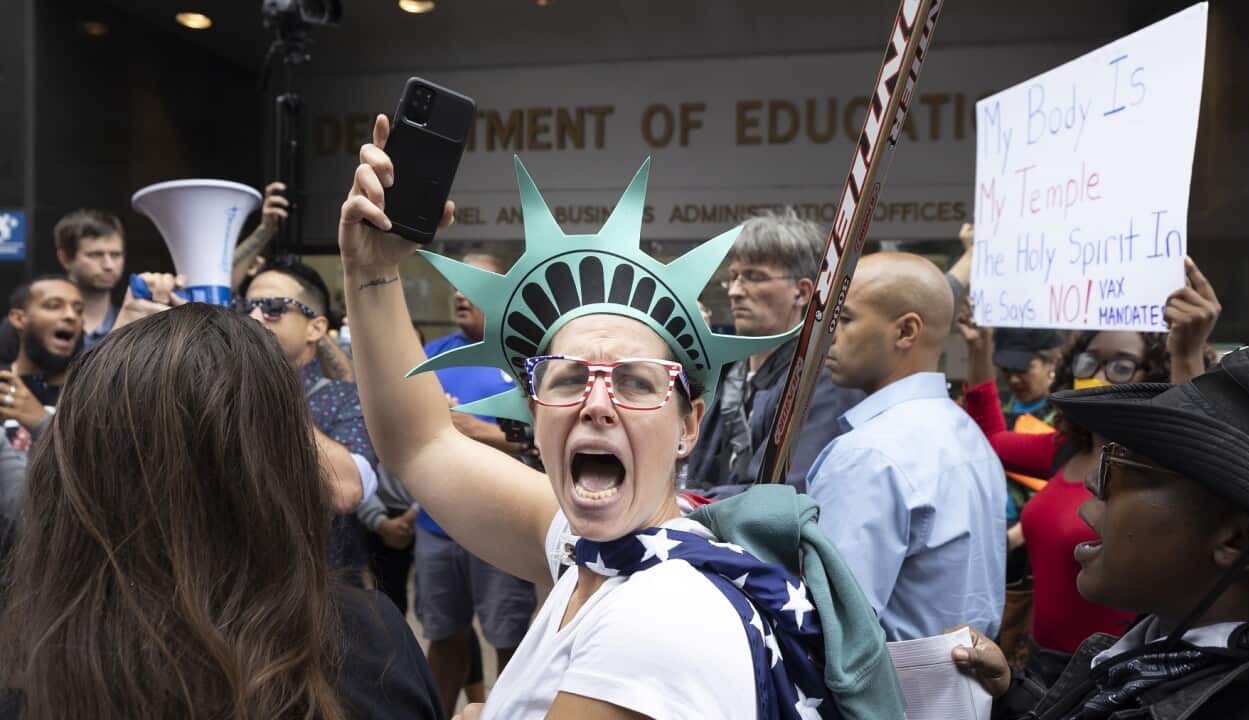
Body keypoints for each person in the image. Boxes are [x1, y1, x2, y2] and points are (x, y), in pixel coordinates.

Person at [339, 116, 902, 719]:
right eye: (570, 378)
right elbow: (423, 444)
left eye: (635, 382)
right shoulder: (596, 553)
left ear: (688, 426)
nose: (598, 403)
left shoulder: (662, 616)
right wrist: (371, 269)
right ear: (536, 412)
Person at [0, 304, 444, 719]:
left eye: (276, 305)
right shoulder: (366, 640)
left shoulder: (27, 656)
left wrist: (121, 378)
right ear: (281, 460)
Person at [953, 346, 1249, 719]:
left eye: (1129, 466)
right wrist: (1012, 693)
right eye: (1105, 455)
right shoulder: (1150, 654)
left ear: (1238, 540)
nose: (1093, 481)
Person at [956, 256, 1221, 683]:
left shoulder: (1167, 466)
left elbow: (1194, 450)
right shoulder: (1066, 451)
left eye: (1119, 365)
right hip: (1039, 665)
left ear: (1153, 371)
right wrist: (979, 349)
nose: (1097, 375)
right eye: (1086, 362)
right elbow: (992, 440)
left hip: (1120, 671)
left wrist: (1187, 353)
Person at [807, 251, 1007, 642]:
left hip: (893, 697)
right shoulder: (968, 435)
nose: (828, 334)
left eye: (845, 319)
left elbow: (834, 632)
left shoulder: (868, 454)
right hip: (960, 691)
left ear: (905, 332)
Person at [414, 252, 536, 712]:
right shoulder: (433, 355)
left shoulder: (525, 356)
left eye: (473, 283)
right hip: (436, 525)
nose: (460, 293)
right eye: (455, 284)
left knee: (511, 640)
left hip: (503, 524)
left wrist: (474, 430)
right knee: (443, 638)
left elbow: (546, 437)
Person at [686, 211, 863, 493]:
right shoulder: (730, 372)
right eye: (732, 277)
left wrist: (685, 506)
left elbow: (781, 494)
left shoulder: (822, 381)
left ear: (803, 292)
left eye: (754, 277)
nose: (734, 291)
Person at [239, 257, 374, 567]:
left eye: (274, 307)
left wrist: (275, 390)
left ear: (316, 328)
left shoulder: (345, 397)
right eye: (245, 307)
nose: (255, 317)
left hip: (316, 585)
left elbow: (345, 492)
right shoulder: (219, 390)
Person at [0, 277, 85, 577]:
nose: (70, 316)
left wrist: (42, 423)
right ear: (19, 318)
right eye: (54, 306)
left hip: (64, 574)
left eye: (78, 309)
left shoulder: (87, 395)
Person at [53, 209, 126, 349]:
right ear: (65, 259)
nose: (108, 265)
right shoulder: (35, 326)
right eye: (95, 255)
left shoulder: (133, 323)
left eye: (116, 255)